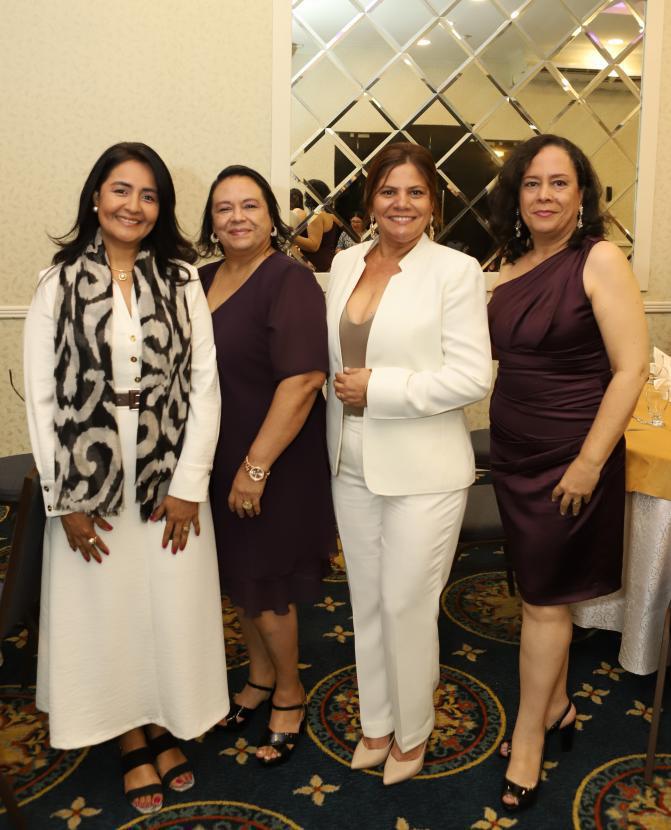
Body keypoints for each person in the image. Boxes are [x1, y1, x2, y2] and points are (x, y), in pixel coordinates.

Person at [23, 142, 228, 815]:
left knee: (169, 605)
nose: (132, 205)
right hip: (92, 483)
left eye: (147, 195)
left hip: (168, 478)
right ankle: (128, 733)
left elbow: (204, 385)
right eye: (120, 190)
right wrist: (67, 500)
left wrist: (189, 483)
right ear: (94, 198)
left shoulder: (181, 281)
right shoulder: (56, 283)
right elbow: (43, 399)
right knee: (107, 612)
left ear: (160, 208)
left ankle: (168, 717)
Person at [487, 134, 648, 811]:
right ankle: (554, 706)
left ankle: (529, 736)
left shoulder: (599, 258)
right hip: (513, 451)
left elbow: (630, 368)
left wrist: (587, 461)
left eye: (559, 182)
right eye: (532, 183)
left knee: (543, 599)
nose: (544, 195)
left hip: (569, 459)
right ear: (515, 196)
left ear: (582, 195)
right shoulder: (506, 262)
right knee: (535, 590)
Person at [325, 142, 492, 785]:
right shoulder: (343, 264)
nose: (401, 204)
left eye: (415, 192)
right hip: (349, 457)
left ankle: (414, 733)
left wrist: (383, 390)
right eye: (389, 191)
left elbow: (472, 376)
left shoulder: (456, 270)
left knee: (406, 603)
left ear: (434, 204)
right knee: (365, 600)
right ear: (370, 200)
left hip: (425, 465)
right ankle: (377, 719)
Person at [197, 165, 334, 766]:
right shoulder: (200, 279)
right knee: (239, 578)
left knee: (269, 583)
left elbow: (304, 379)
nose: (237, 218)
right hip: (216, 451)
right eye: (224, 208)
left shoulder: (290, 279)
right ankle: (256, 677)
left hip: (273, 454)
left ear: (271, 216)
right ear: (211, 221)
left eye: (250, 205)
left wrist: (255, 468)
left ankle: (289, 689)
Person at [294, 179, 342, 271]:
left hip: (316, 266)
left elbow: (314, 245)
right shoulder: (331, 216)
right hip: (329, 263)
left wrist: (290, 236)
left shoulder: (316, 216)